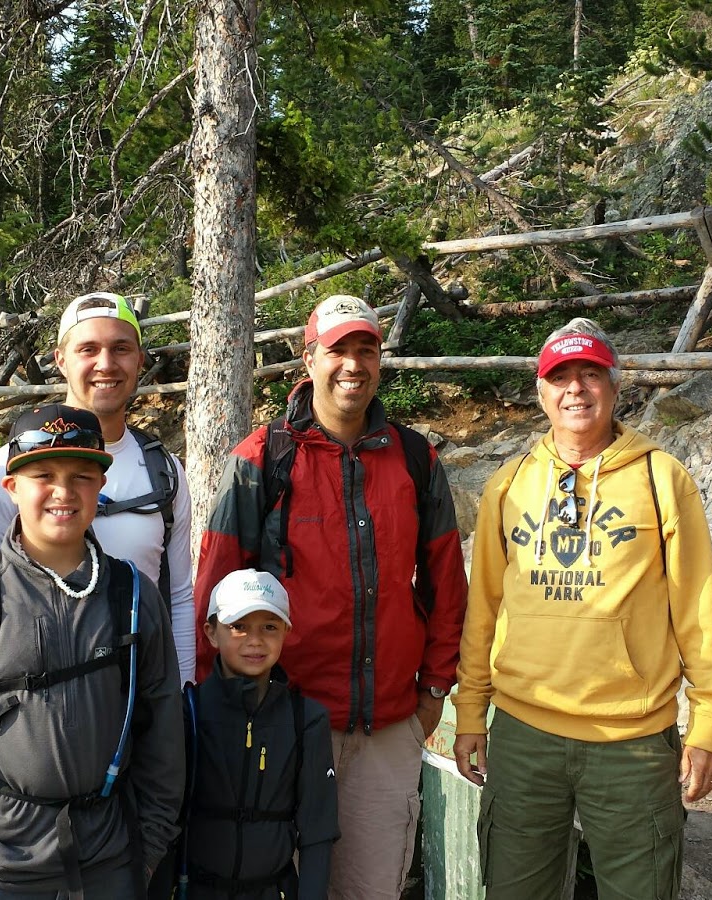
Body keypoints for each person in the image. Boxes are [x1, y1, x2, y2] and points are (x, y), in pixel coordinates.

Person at [451, 319, 712, 900]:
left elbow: (698, 606)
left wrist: (710, 721)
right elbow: (482, 608)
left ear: (614, 386)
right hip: (524, 736)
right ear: (541, 393)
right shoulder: (508, 486)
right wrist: (470, 712)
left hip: (632, 742)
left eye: (590, 374)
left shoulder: (662, 479)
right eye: (561, 377)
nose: (575, 390)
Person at [194, 294, 468, 900]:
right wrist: (218, 707)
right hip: (279, 721)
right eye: (338, 349)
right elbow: (216, 591)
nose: (353, 364)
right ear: (309, 359)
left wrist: (433, 691)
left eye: (366, 350)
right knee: (269, 884)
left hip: (386, 727)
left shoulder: (415, 458)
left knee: (371, 889)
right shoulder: (262, 459)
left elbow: (446, 582)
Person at [0, 404, 184, 899]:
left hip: (109, 865)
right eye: (43, 475)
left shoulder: (133, 597)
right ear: (12, 487)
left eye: (81, 476)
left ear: (101, 486)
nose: (63, 492)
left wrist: (147, 849)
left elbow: (163, 734)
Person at [0, 292, 196, 685]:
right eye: (88, 349)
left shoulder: (166, 472)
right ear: (61, 360)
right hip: (32, 698)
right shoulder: (2, 473)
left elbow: (179, 597)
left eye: (121, 348)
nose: (106, 363)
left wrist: (183, 692)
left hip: (139, 696)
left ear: (140, 360)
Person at [160, 569, 338, 899]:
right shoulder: (187, 713)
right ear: (211, 633)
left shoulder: (306, 720)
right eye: (239, 626)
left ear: (286, 631)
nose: (255, 640)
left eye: (269, 627)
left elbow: (318, 830)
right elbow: (163, 820)